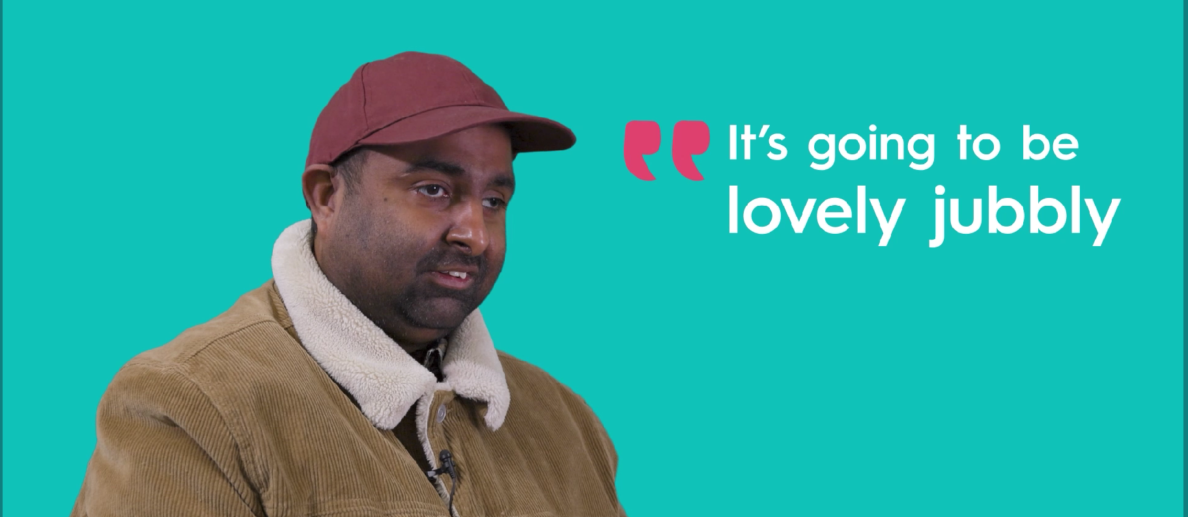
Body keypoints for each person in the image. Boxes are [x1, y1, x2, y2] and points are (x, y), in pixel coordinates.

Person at [70, 51, 626, 517]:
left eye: (494, 201)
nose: (475, 235)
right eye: (433, 189)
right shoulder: (192, 404)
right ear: (325, 196)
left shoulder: (563, 420)